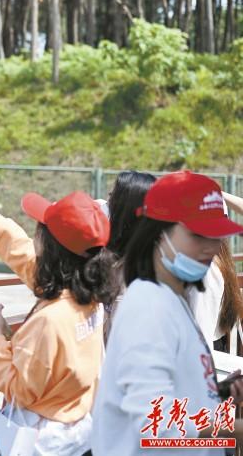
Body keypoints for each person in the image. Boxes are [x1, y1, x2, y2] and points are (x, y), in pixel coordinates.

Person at [0, 149, 119, 456]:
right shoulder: (89, 297)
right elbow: (16, 248)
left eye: (39, 232)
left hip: (41, 442)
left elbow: (19, 389)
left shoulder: (51, 319)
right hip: (77, 433)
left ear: (50, 247)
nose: (34, 239)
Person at [91, 171, 243, 454]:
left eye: (217, 235)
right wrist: (232, 429)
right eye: (198, 234)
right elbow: (154, 426)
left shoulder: (171, 299)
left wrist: (218, 394)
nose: (211, 247)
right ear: (158, 232)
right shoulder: (149, 308)